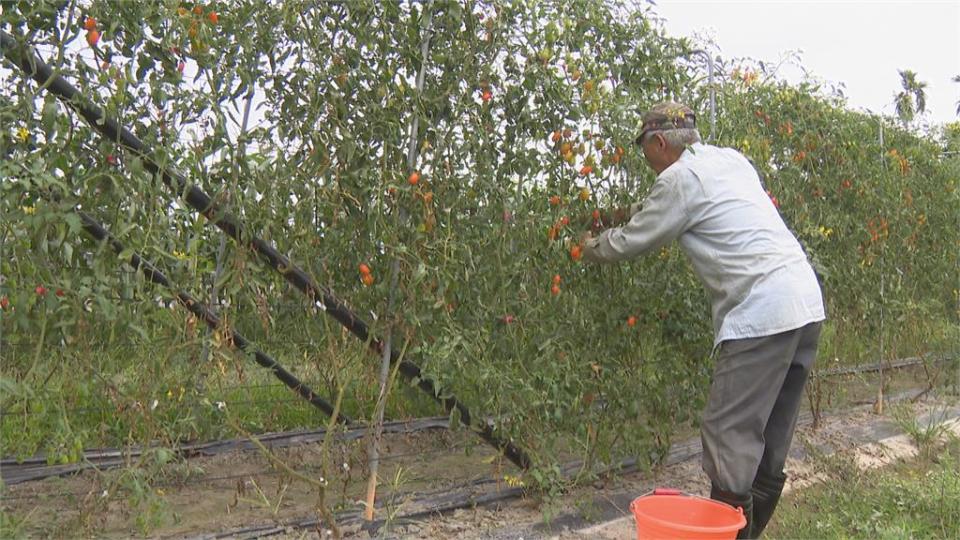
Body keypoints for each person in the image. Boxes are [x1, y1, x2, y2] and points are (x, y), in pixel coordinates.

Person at [580, 102, 825, 538]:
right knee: (769, 436)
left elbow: (630, 241)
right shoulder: (729, 159)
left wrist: (585, 246)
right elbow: (669, 204)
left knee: (727, 436)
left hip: (761, 312)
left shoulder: (677, 180)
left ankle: (730, 533)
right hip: (804, 304)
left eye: (643, 149)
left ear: (658, 143)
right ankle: (747, 532)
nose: (645, 159)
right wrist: (622, 211)